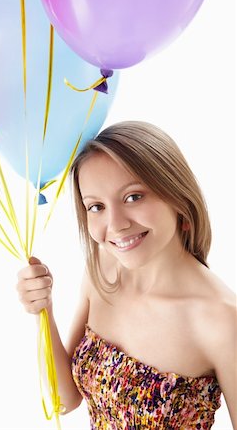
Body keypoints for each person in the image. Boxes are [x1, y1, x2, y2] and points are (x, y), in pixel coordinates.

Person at [17, 121, 237, 429]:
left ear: (178, 197)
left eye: (133, 197)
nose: (116, 224)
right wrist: (43, 311)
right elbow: (65, 400)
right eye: (96, 206)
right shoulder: (102, 269)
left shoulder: (222, 320)